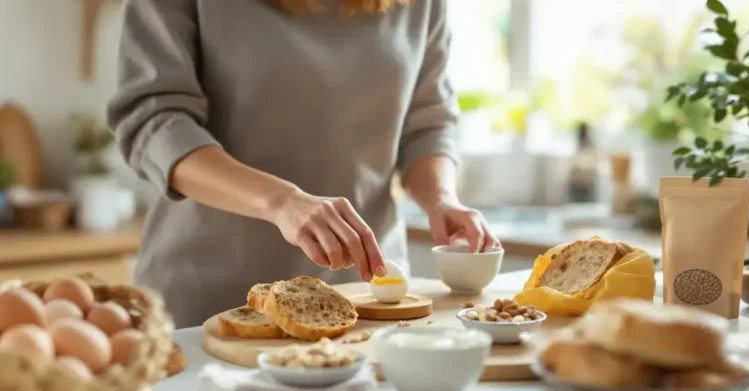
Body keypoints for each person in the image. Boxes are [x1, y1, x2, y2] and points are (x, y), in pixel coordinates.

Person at [107, 0, 501, 328]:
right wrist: (282, 202)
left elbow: (427, 123)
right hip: (210, 301)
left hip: (364, 300)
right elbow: (156, 123)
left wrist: (441, 198)